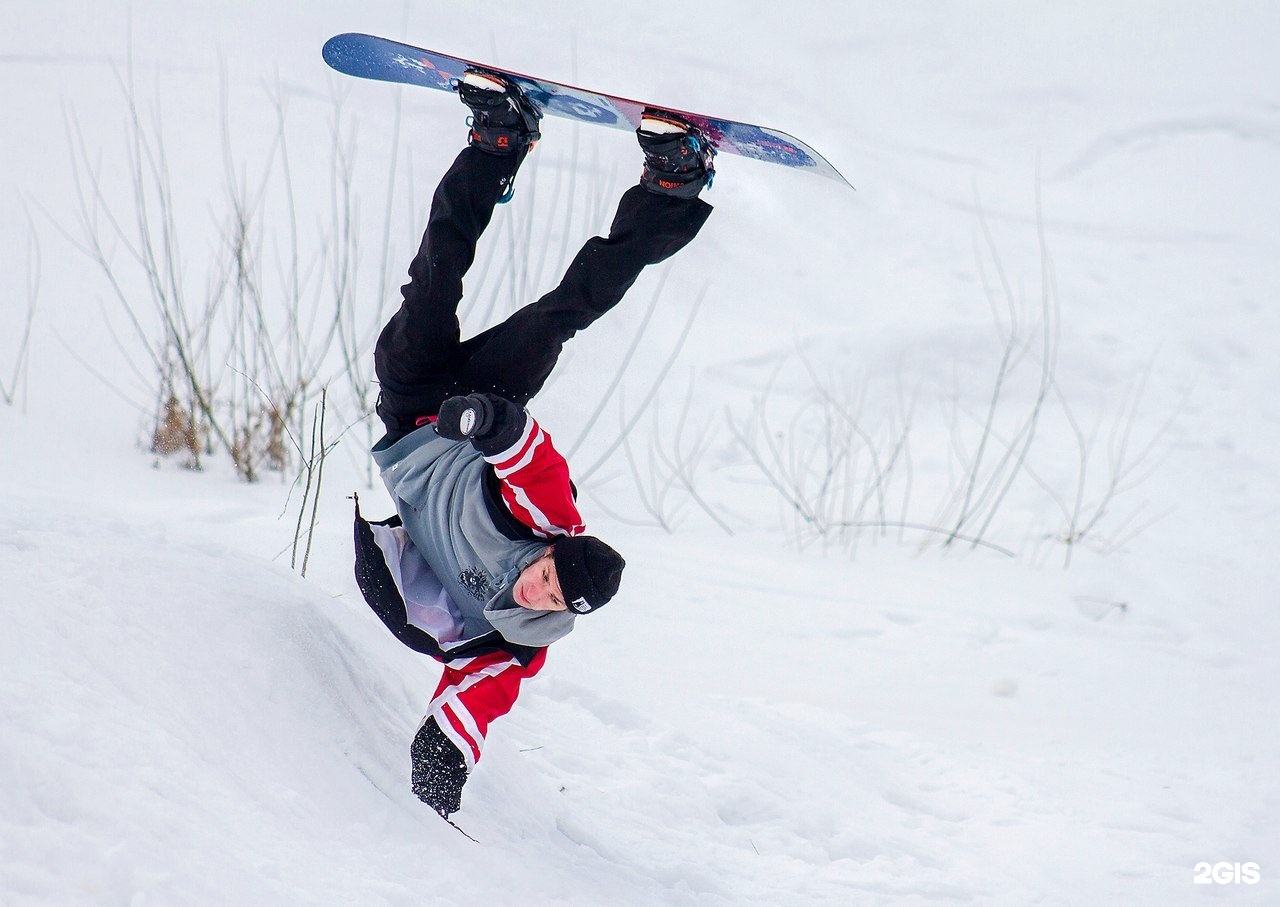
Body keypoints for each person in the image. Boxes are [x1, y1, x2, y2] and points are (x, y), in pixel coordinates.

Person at [352, 69, 715, 818]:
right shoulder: (551, 523)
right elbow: (531, 458)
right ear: (554, 551)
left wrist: (442, 757)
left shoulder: (518, 641)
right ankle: (612, 174)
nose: (536, 588)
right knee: (554, 313)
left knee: (424, 304)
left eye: (550, 596)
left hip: (412, 421)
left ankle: (507, 141)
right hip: (475, 413)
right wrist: (489, 422)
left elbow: (475, 699)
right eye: (548, 575)